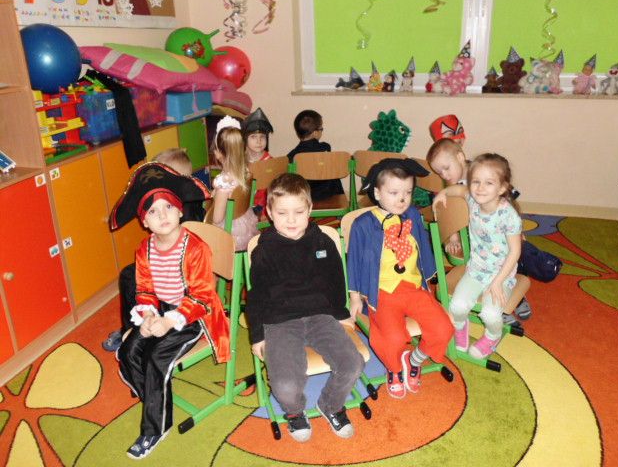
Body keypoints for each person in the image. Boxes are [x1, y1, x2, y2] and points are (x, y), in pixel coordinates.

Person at [109, 162, 230, 459]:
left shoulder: (195, 248)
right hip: (161, 310)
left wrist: (168, 321)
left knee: (155, 359)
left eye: (168, 207)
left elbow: (202, 296)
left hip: (191, 316)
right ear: (144, 221)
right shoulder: (144, 249)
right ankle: (155, 398)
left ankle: (156, 428)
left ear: (179, 211)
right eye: (153, 211)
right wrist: (148, 315)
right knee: (128, 351)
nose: (162, 215)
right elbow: (145, 289)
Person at [245, 173, 364, 442]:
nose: (291, 220)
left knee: (352, 364)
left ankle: (331, 405)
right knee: (285, 385)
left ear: (309, 209)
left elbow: (336, 279)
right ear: (269, 213)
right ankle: (295, 412)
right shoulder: (264, 250)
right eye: (282, 213)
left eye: (298, 212)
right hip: (279, 320)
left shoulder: (322, 241)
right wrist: (257, 335)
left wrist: (341, 314)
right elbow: (256, 296)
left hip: (321, 316)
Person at [347, 158, 454, 399]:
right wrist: (354, 297)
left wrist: (429, 281)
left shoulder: (413, 215)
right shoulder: (363, 224)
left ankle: (413, 360)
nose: (402, 199)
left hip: (413, 288)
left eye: (408, 192)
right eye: (394, 193)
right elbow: (353, 260)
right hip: (382, 292)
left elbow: (423, 249)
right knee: (392, 338)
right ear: (377, 193)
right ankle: (394, 368)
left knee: (443, 328)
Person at [102, 148, 205, 352]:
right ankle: (137, 323)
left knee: (131, 277)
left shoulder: (183, 208)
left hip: (180, 275)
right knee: (132, 274)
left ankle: (133, 329)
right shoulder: (168, 203)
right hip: (167, 264)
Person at [427, 136, 531, 326]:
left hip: (502, 231)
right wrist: (453, 236)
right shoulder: (455, 185)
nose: (444, 175)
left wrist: (517, 229)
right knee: (486, 264)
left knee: (519, 254)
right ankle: (487, 295)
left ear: (460, 157)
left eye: (446, 168)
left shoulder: (484, 171)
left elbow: (509, 200)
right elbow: (452, 214)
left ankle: (513, 295)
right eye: (439, 172)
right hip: (476, 238)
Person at [432, 153, 521, 360]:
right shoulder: (472, 199)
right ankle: (461, 327)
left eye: (489, 183)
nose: (480, 188)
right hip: (476, 269)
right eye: (476, 182)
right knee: (457, 307)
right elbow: (459, 189)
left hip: (502, 274)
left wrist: (498, 282)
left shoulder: (508, 216)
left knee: (490, 314)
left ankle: (493, 336)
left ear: (502, 188)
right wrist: (443, 192)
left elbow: (515, 252)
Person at [210, 115, 259, 250]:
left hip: (229, 232)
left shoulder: (223, 183)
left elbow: (217, 219)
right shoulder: (246, 173)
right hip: (245, 222)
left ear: (218, 153)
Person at [286, 109, 345, 201]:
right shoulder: (325, 148)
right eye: (321, 129)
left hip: (304, 199)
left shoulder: (292, 156)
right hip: (332, 197)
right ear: (315, 133)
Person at [242, 107, 273, 215]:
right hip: (243, 206)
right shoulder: (240, 161)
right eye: (253, 137)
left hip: (264, 207)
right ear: (245, 139)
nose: (259, 141)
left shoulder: (271, 163)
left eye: (262, 137)